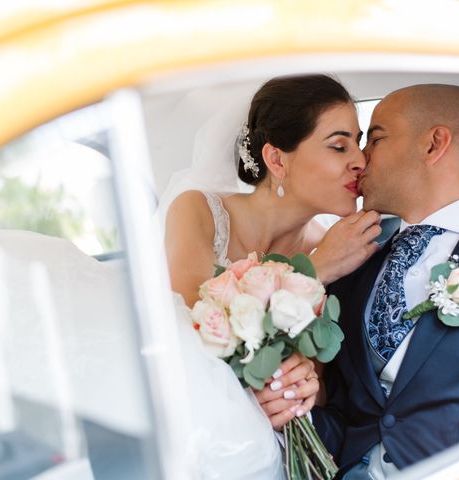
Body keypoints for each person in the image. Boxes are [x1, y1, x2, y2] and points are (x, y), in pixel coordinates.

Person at [311, 84, 459, 479]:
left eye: (376, 138)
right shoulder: (351, 260)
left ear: (434, 144)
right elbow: (343, 403)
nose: (360, 158)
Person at [161, 74, 382, 478]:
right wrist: (317, 269)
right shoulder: (198, 212)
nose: (360, 160)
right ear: (277, 160)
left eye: (359, 141)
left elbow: (328, 375)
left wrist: (307, 389)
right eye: (339, 145)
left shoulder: (339, 245)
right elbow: (195, 329)